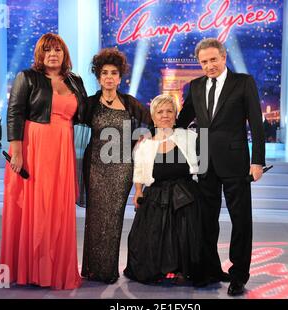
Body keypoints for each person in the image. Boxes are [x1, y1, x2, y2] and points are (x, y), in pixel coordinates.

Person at [177, 38, 266, 295]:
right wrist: (156, 130)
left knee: (240, 220)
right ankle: (210, 269)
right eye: (204, 62)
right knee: (206, 220)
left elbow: (256, 125)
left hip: (236, 162)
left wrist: (257, 161)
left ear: (223, 57)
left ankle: (239, 275)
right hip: (205, 162)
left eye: (213, 60)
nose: (209, 65)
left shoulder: (243, 82)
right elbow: (183, 119)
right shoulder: (194, 86)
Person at [0, 33, 88, 290]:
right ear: (40, 54)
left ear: (64, 54)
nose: (53, 54)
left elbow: (85, 112)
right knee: (33, 209)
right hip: (33, 147)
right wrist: (16, 151)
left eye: (58, 50)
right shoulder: (26, 77)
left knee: (58, 210)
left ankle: (54, 270)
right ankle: (29, 270)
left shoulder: (75, 80)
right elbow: (15, 112)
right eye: (48, 50)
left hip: (63, 147)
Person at [81, 48, 153, 284]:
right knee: (94, 219)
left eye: (113, 73)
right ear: (99, 77)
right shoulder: (89, 104)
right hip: (95, 168)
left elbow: (150, 125)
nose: (109, 77)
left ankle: (108, 270)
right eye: (104, 73)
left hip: (122, 169)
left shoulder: (131, 104)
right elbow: (70, 128)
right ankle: (92, 269)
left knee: (113, 220)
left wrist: (141, 139)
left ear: (120, 77)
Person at [123, 95, 204, 285]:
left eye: (169, 111)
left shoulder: (190, 137)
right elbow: (140, 170)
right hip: (156, 194)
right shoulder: (145, 144)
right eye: (160, 112)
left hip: (185, 194)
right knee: (152, 234)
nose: (165, 115)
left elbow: (202, 165)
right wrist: (138, 191)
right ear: (153, 116)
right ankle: (159, 269)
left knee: (183, 233)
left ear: (176, 116)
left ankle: (183, 270)